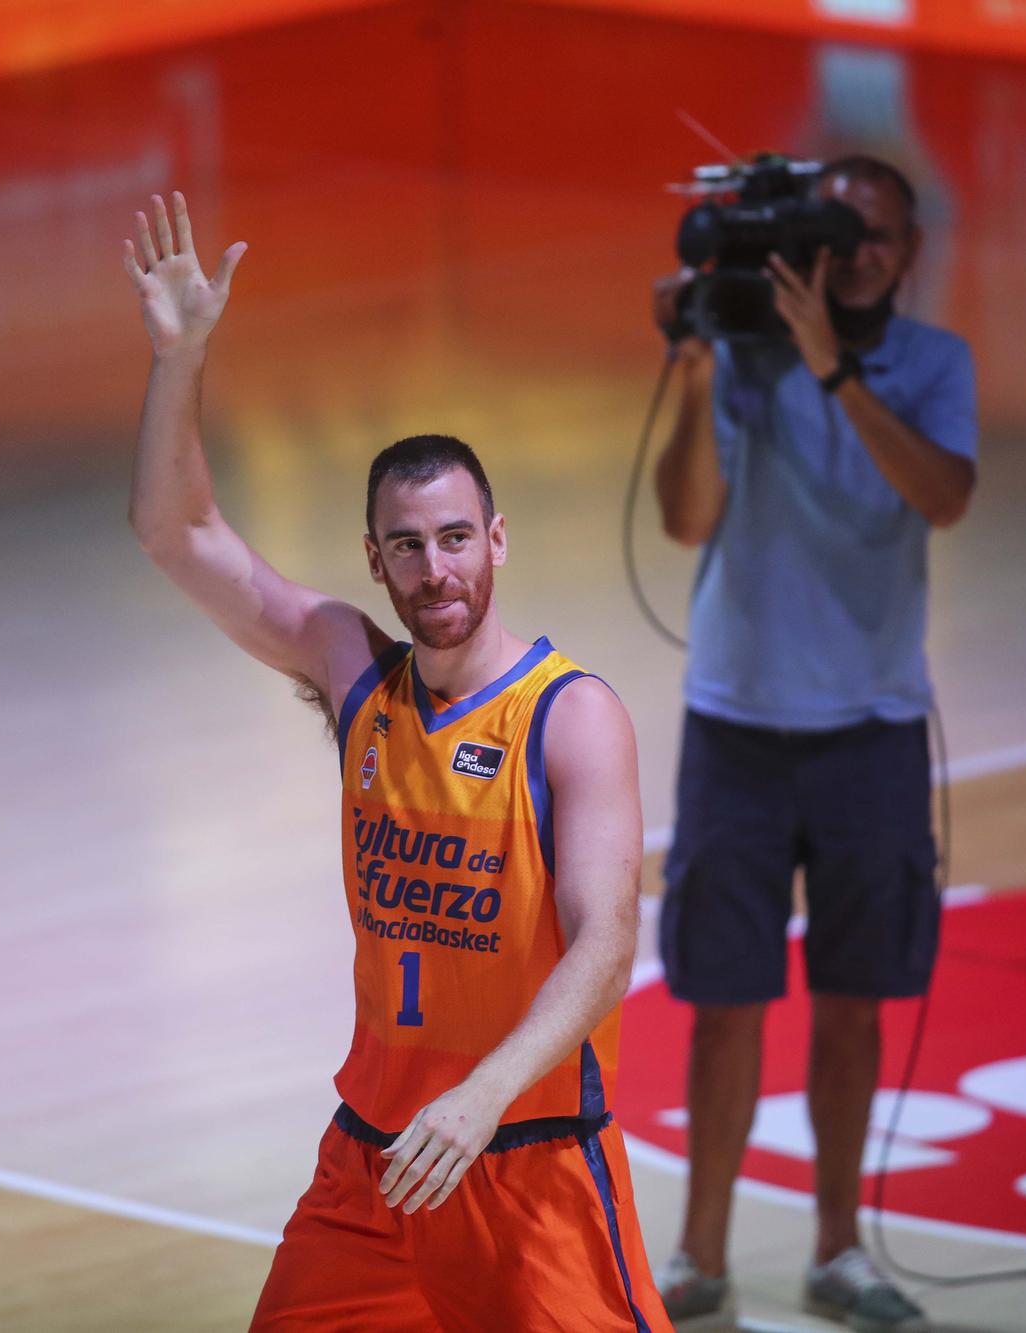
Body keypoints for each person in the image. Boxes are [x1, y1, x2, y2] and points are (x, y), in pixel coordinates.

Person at [123, 191, 672, 1332]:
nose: (437, 571)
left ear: (498, 540)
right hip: (372, 1165)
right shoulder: (352, 672)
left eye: (457, 539)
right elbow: (178, 533)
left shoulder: (570, 716)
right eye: (409, 547)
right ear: (375, 560)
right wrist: (181, 359)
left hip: (523, 1158)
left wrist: (478, 1099)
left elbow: (607, 942)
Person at [648, 155, 977, 1333]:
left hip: (871, 735)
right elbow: (684, 516)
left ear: (910, 246)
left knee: (850, 1004)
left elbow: (937, 494)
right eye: (836, 229)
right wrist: (691, 361)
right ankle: (698, 1259)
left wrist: (834, 370)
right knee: (722, 1004)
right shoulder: (738, 354)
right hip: (734, 725)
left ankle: (838, 1250)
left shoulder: (932, 365)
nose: (854, 250)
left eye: (874, 230)